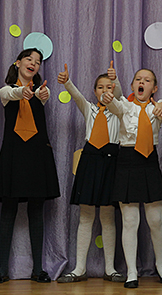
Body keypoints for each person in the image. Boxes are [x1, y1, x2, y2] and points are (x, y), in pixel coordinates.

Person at [0, 48, 60, 284]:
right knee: (8, 209)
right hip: (14, 155)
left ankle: (38, 269)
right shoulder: (5, 91)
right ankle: (2, 270)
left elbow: (42, 95)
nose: (33, 63)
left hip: (37, 154)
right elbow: (12, 93)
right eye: (29, 59)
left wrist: (40, 93)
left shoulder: (41, 92)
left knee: (36, 210)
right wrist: (23, 91)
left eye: (38, 62)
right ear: (18, 63)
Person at [101, 68, 162, 289]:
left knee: (155, 220)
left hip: (149, 162)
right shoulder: (125, 105)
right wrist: (110, 92)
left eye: (147, 80)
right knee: (130, 221)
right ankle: (132, 271)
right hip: (127, 162)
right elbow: (114, 104)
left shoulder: (157, 108)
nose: (142, 82)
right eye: (138, 79)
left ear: (154, 87)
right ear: (133, 85)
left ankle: (161, 265)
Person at [55, 61, 125, 283]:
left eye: (109, 87)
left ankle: (110, 269)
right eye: (100, 87)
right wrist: (67, 82)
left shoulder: (120, 109)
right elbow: (76, 97)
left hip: (111, 161)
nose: (105, 90)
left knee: (108, 216)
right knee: (85, 216)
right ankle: (79, 269)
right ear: (94, 91)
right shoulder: (89, 108)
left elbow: (119, 94)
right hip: (90, 160)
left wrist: (116, 81)